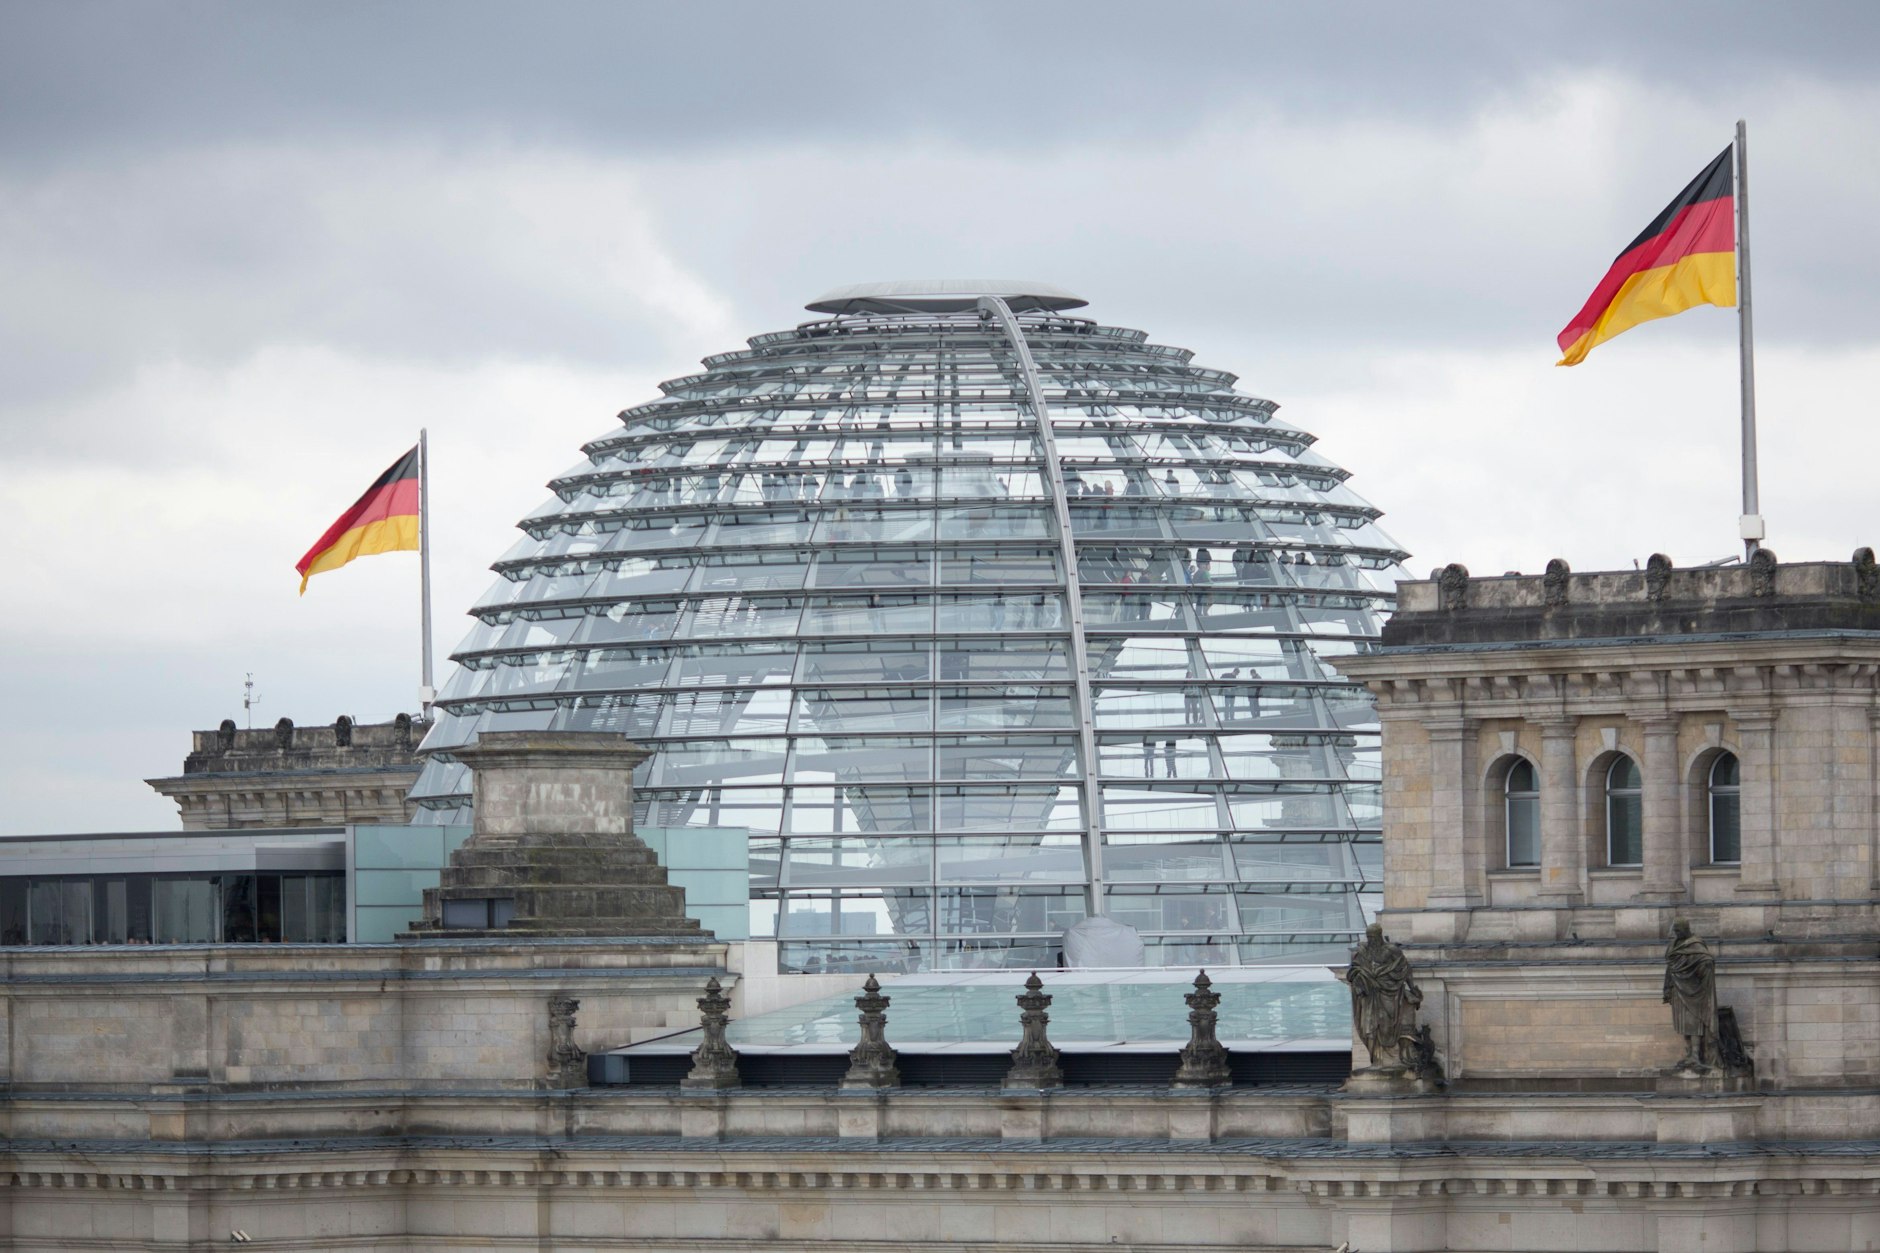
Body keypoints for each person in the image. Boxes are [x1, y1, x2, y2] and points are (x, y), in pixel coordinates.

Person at [1663, 919, 1718, 1069]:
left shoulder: (1695, 944)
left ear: (1686, 929)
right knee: (1683, 1023)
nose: (1676, 933)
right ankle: (1689, 1054)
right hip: (1677, 988)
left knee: (1694, 1023)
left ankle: (1696, 1055)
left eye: (1678, 930)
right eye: (1675, 931)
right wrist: (1667, 988)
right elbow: (1670, 967)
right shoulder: (1673, 944)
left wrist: (1706, 965)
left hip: (1694, 991)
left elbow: (1706, 959)